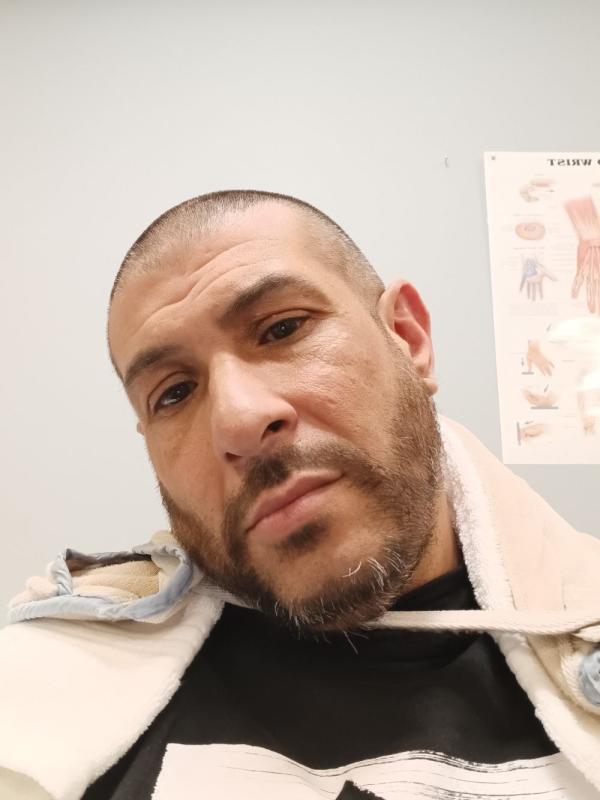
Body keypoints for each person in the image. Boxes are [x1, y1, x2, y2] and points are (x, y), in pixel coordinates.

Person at [1, 190, 600, 800]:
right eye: (174, 393)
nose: (238, 421)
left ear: (407, 337)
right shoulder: (35, 702)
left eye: (282, 329)